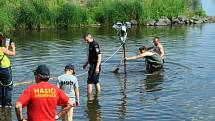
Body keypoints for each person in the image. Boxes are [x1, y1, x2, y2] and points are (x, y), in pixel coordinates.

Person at [0, 32, 16, 107]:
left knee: (1, 86)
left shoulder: (2, 49)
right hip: (5, 69)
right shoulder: (2, 49)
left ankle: (0, 103)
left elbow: (3, 52)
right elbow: (13, 53)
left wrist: (6, 47)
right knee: (8, 86)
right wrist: (13, 47)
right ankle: (7, 104)